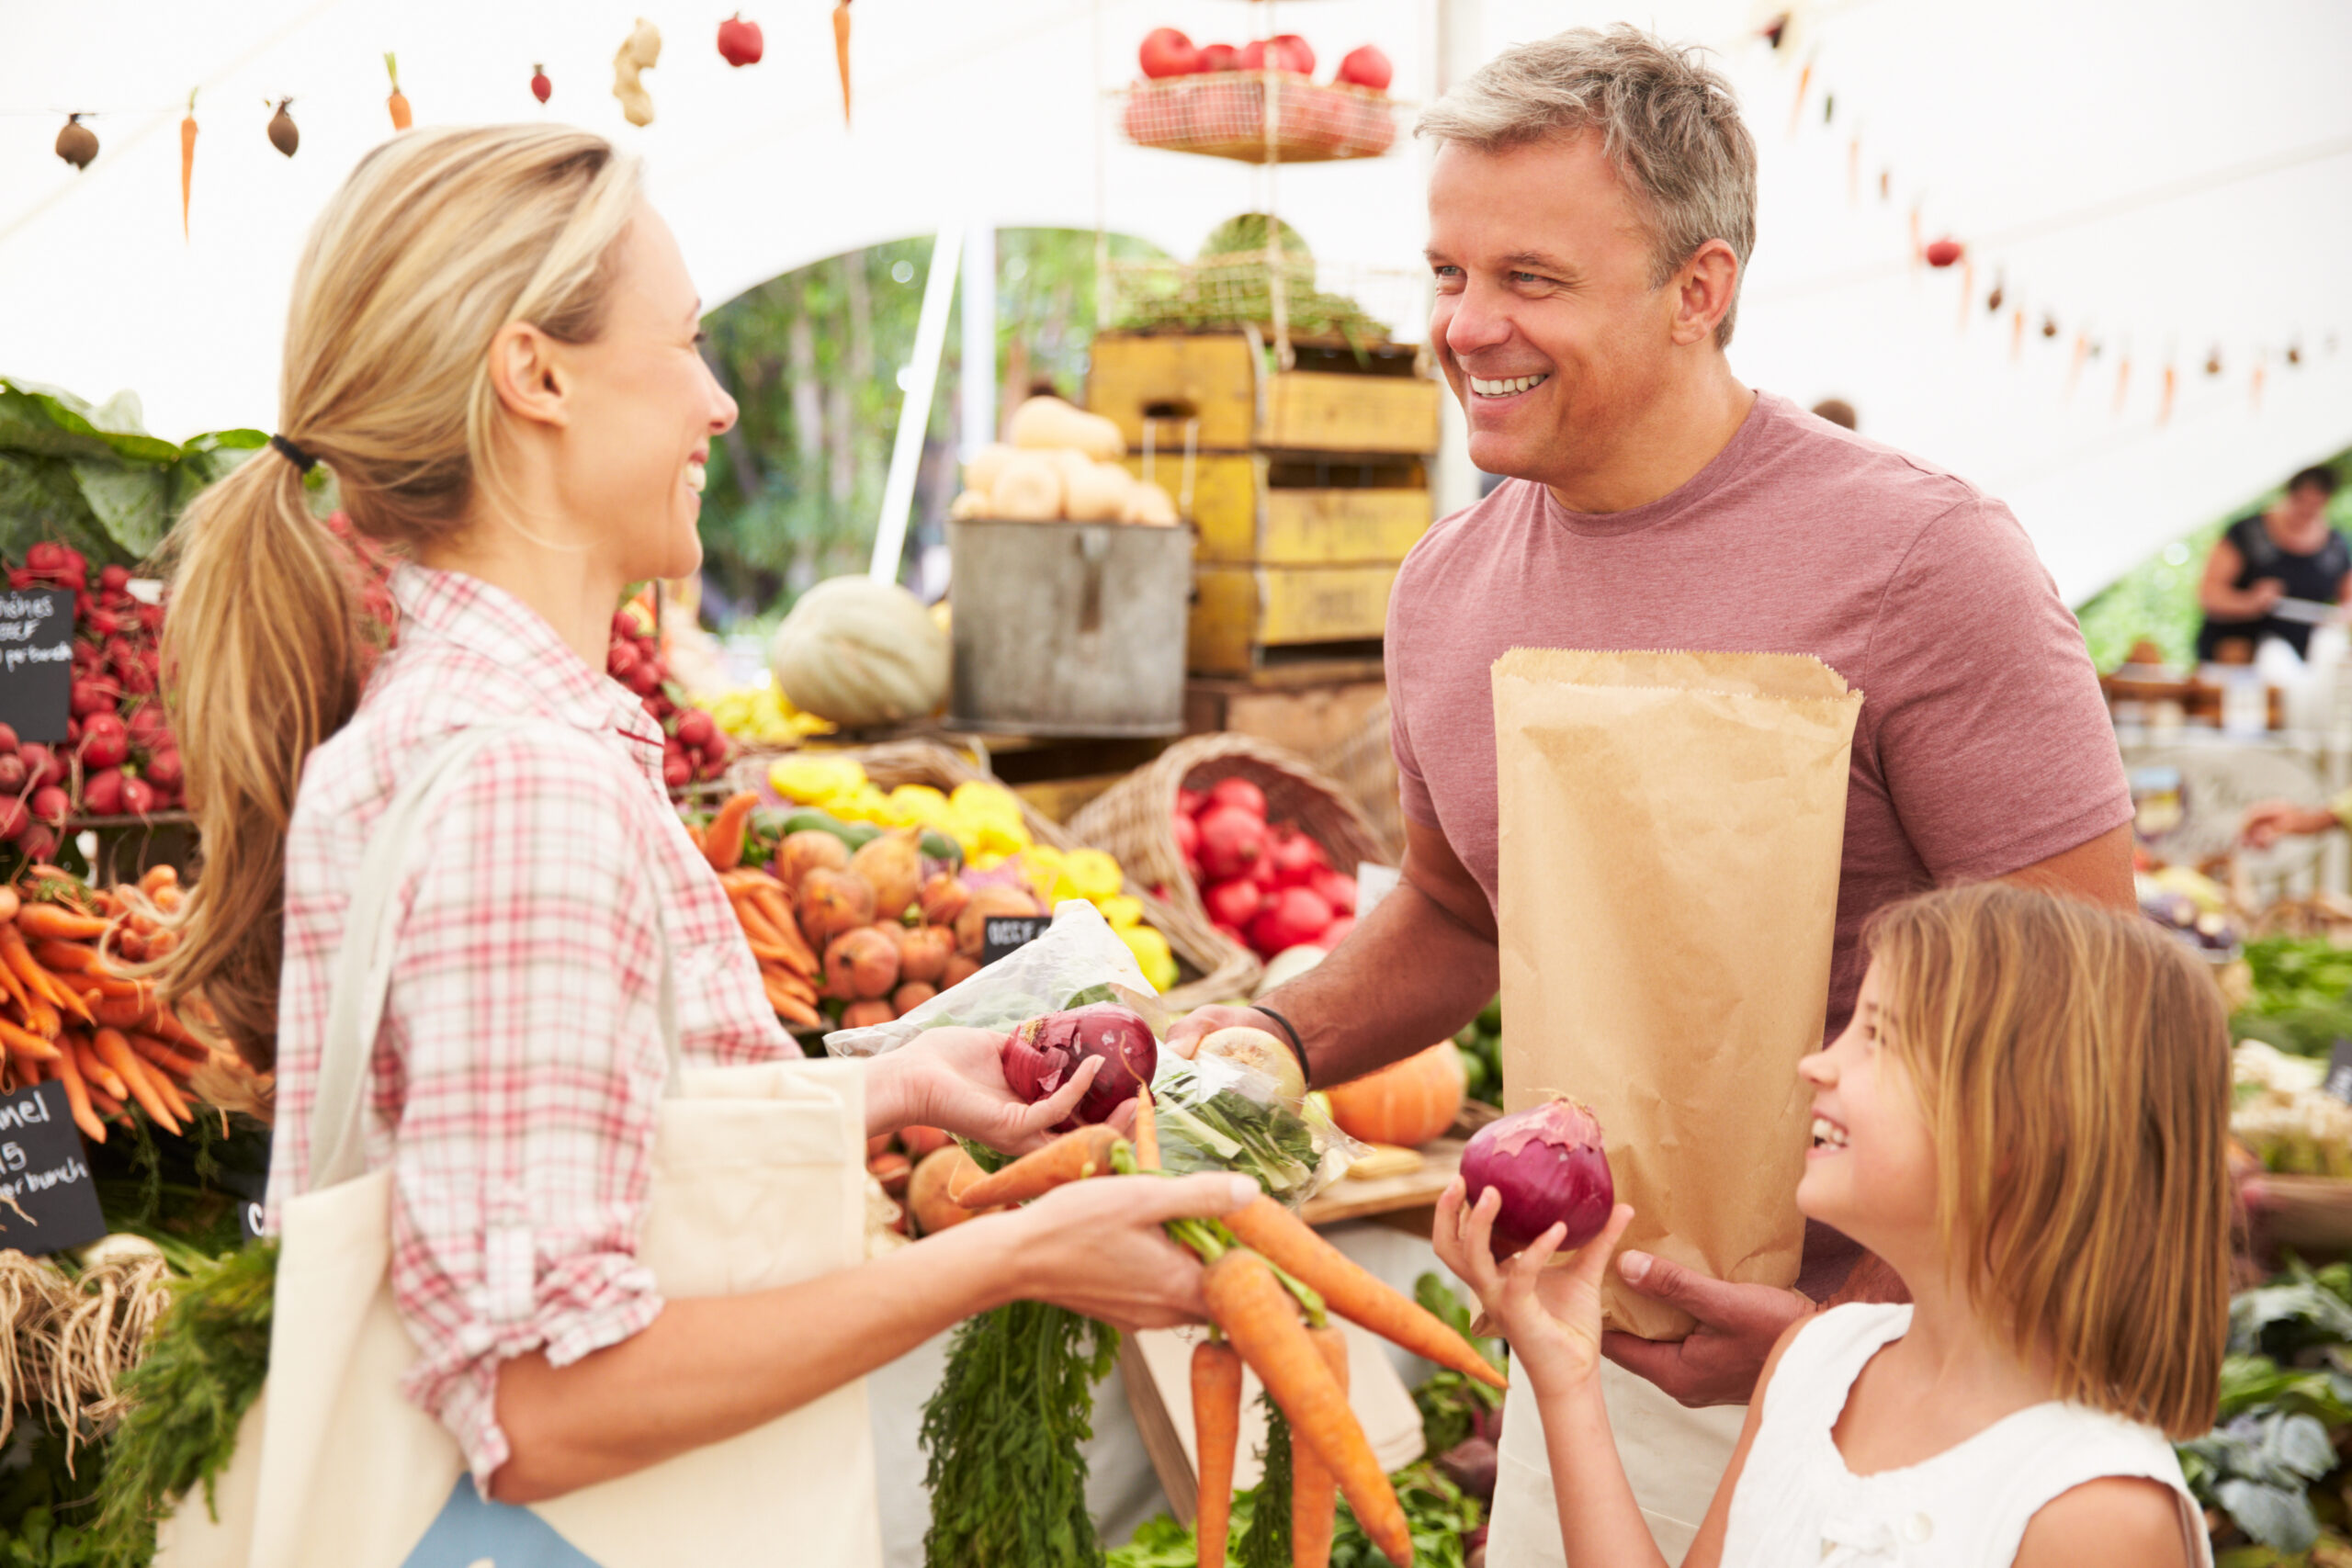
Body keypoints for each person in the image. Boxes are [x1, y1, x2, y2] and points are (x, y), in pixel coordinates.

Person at [155, 124, 1250, 1510]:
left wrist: (905, 1079)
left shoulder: (475, 731)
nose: (721, 402)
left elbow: (621, 1134)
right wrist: (1008, 1255)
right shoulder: (519, 787)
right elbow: (539, 1402)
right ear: (533, 373)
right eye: (682, 343)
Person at [1169, 26, 2133, 1561]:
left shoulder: (1925, 562)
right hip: (1598, 1375)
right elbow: (1453, 906)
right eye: (1446, 273)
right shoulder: (1447, 589)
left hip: (1932, 1384)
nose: (1467, 327)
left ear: (1704, 288)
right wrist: (1275, 1036)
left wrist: (1842, 1329)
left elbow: (2097, 1012)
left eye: (1530, 281)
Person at [1433, 884, 2228, 1568]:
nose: (1817, 1063)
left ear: (2025, 1129)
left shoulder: (2097, 1512)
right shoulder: (1818, 1360)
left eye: (1879, 1036)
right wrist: (1566, 1373)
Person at [2194, 465, 2347, 664]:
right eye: (2302, 502)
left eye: (2315, 506)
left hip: (2304, 662)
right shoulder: (2247, 533)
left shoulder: (2336, 545)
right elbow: (2208, 593)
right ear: (2289, 495)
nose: (2306, 511)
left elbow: (2348, 597)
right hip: (2239, 654)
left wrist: (2339, 616)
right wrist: (2249, 603)